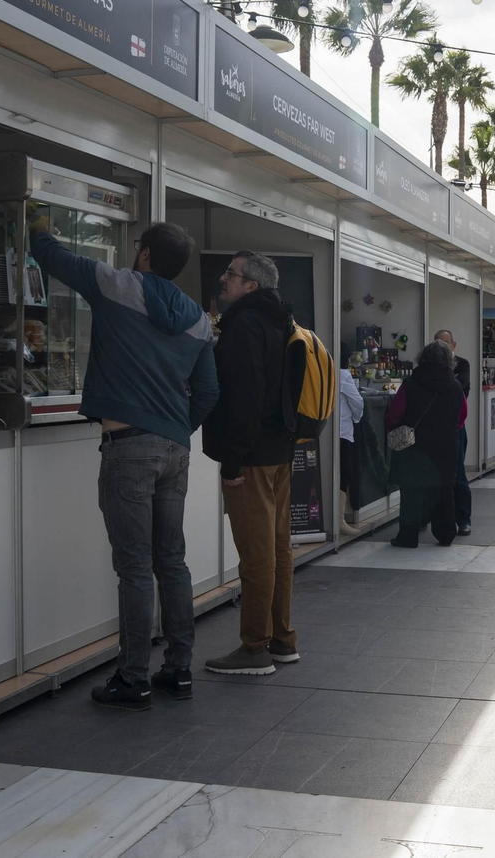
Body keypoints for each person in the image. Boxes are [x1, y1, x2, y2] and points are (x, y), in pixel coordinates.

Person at [28, 218, 217, 710]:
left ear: (146, 255)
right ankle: (178, 670)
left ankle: (133, 679)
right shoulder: (198, 319)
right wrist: (177, 427)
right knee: (171, 562)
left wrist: (37, 224)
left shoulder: (116, 285)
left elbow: (53, 258)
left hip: (128, 447)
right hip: (175, 452)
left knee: (135, 567)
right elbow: (210, 392)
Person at [202, 251, 298, 677]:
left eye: (231, 274)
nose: (223, 279)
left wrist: (231, 461)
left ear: (251, 286)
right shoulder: (284, 321)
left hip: (252, 457)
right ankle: (281, 639)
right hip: (278, 451)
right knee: (278, 549)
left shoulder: (244, 325)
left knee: (256, 554)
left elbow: (244, 396)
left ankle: (254, 648)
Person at [386, 342, 468, 547]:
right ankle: (446, 534)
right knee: (444, 492)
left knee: (412, 492)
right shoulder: (455, 385)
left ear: (422, 358)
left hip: (414, 448)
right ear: (448, 361)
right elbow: (462, 417)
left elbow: (395, 413)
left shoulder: (411, 383)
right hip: (446, 447)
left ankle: (408, 536)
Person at [432, 330, 474, 534]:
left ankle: (464, 519)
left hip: (455, 427)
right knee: (430, 473)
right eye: (437, 342)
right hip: (432, 428)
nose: (441, 346)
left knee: (458, 474)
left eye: (445, 342)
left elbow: (462, 388)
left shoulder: (462, 364)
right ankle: (426, 517)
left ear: (453, 345)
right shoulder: (426, 367)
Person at [338, 350, 365, 534]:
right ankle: (339, 520)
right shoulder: (343, 375)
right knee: (343, 474)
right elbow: (357, 402)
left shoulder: (323, 370)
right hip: (343, 431)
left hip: (325, 431)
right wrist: (356, 418)